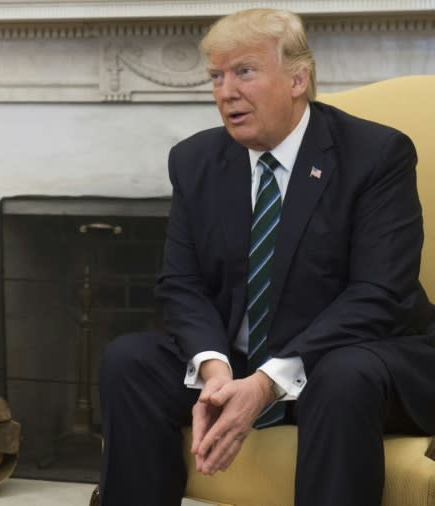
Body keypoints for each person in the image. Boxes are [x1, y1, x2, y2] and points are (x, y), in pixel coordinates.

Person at [96, 8, 435, 506]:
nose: (226, 91)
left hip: (356, 359)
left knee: (341, 377)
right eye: (216, 75)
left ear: (298, 79)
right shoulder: (196, 161)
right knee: (130, 361)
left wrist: (268, 381)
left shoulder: (375, 155)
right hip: (241, 364)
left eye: (245, 72)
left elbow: (378, 294)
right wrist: (215, 371)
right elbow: (181, 284)